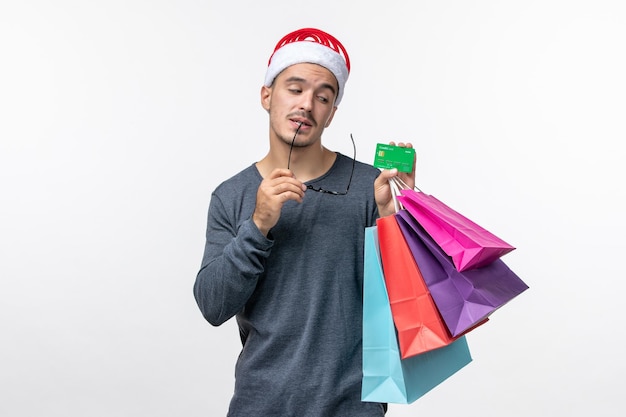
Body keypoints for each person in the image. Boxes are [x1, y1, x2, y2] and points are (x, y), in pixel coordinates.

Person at [193, 27, 415, 416]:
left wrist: (398, 214)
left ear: (332, 112)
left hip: (352, 407)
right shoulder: (231, 196)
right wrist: (258, 224)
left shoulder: (370, 187)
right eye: (294, 89)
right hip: (259, 405)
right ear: (267, 96)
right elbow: (213, 306)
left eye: (323, 97)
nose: (307, 105)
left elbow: (407, 307)